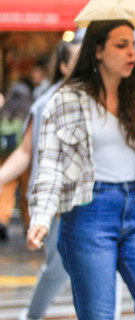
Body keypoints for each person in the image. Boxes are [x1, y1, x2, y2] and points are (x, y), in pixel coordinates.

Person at [27, 19, 135, 320]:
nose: (132, 53)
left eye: (133, 45)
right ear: (97, 51)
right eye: (121, 45)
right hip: (88, 214)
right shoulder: (66, 100)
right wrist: (41, 216)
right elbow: (51, 166)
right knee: (99, 315)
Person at [0, 38, 86, 320]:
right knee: (59, 267)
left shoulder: (104, 98)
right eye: (76, 59)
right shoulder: (46, 102)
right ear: (63, 66)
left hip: (95, 202)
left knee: (99, 270)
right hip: (56, 202)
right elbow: (26, 152)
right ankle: (32, 315)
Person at [0, 81, 34, 238]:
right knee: (27, 191)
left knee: (6, 190)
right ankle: (29, 223)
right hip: (25, 157)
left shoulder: (5, 111)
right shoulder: (29, 111)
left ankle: (2, 218)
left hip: (5, 156)